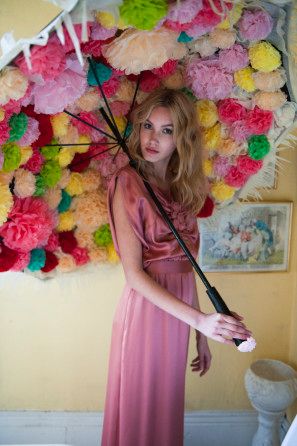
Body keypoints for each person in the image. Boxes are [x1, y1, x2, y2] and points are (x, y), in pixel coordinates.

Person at [101, 88, 252, 446]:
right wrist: (199, 321)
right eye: (148, 126)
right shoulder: (127, 182)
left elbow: (185, 268)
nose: (153, 138)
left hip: (180, 314)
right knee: (141, 410)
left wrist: (201, 331)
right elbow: (134, 276)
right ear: (137, 128)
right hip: (147, 312)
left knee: (166, 406)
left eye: (167, 130)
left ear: (181, 137)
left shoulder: (183, 189)